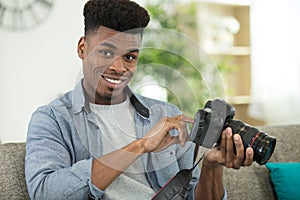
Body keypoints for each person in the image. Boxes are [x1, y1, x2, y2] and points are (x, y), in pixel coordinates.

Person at [25, 0, 254, 199]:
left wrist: (211, 167)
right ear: (82, 48)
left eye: (130, 57)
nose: (118, 67)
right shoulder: (52, 119)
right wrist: (140, 145)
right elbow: (46, 192)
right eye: (105, 52)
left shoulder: (165, 114)